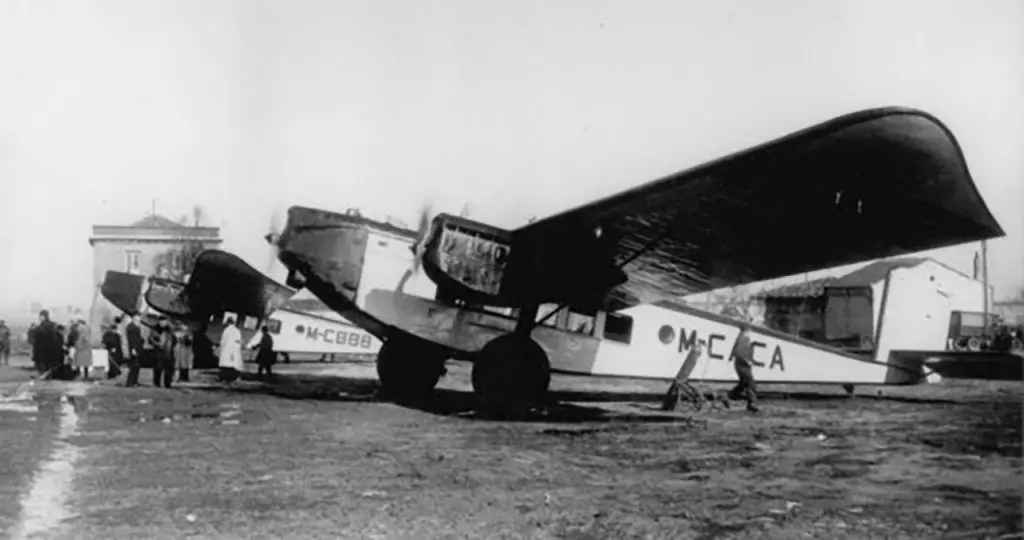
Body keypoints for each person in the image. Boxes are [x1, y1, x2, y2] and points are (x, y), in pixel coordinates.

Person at [728, 322, 760, 413]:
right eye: (749, 331)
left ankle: (732, 395)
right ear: (746, 331)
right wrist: (747, 361)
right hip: (742, 365)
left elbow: (736, 350)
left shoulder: (742, 338)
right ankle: (752, 403)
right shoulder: (743, 339)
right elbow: (739, 352)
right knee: (750, 383)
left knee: (743, 383)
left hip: (741, 364)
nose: (750, 332)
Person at [30, 311, 63, 376]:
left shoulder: (41, 326)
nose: (39, 318)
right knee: (49, 364)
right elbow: (57, 336)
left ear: (43, 317)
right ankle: (47, 374)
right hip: (52, 348)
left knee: (42, 364)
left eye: (40, 316)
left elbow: (37, 337)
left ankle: (43, 375)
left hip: (41, 349)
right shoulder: (52, 325)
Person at [217, 317, 243, 386]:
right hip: (235, 352)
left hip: (227, 350)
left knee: (226, 365)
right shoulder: (237, 331)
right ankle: (232, 379)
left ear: (228, 323)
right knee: (233, 365)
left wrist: (221, 349)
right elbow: (239, 342)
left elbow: (223, 342)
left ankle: (224, 379)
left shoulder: (226, 331)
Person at [151, 321, 176, 388]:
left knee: (160, 369)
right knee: (165, 369)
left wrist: (155, 343)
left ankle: (158, 383)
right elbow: (166, 344)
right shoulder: (169, 335)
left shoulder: (165, 335)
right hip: (166, 353)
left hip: (164, 353)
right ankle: (165, 384)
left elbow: (162, 344)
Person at [124, 315, 144, 387]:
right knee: (134, 365)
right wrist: (133, 349)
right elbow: (132, 339)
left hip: (137, 348)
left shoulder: (134, 327)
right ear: (134, 320)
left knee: (137, 365)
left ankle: (134, 381)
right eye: (138, 320)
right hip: (134, 349)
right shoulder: (132, 328)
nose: (139, 322)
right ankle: (130, 382)